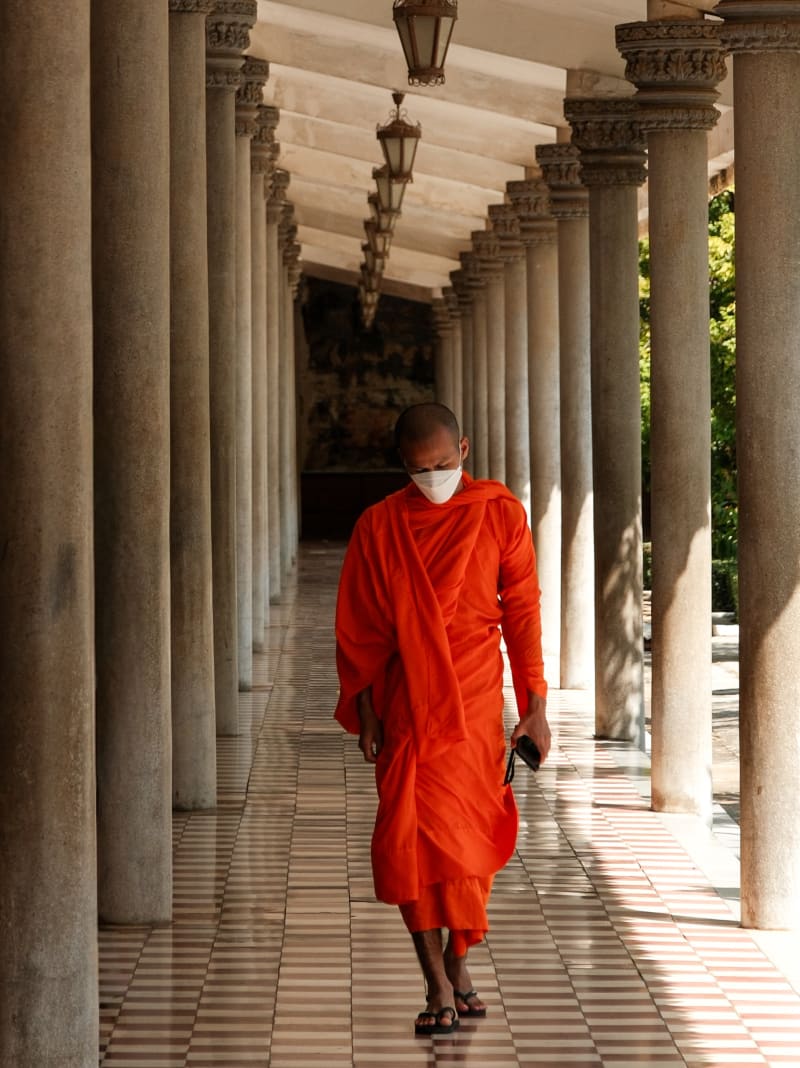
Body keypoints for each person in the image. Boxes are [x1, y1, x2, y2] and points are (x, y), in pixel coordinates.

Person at [334, 402, 550, 1036]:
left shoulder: (498, 512)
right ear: (402, 466)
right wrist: (368, 712)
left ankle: (457, 964)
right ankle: (436, 983)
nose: (432, 477)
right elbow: (361, 632)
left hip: (478, 708)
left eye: (441, 463)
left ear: (465, 449)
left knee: (467, 851)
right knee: (409, 849)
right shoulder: (379, 527)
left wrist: (535, 707)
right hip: (407, 710)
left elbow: (524, 613)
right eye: (417, 468)